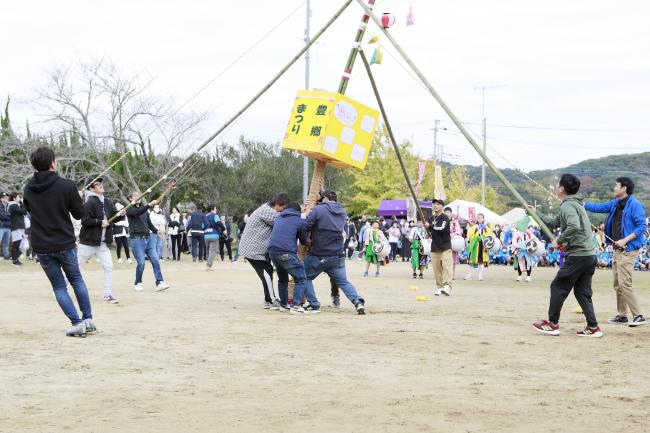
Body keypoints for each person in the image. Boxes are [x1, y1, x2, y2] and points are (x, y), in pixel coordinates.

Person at [23, 147, 95, 337]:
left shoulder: (28, 188)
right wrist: (78, 198)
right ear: (53, 163)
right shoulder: (67, 185)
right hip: (64, 242)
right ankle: (87, 319)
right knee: (76, 280)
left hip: (42, 244)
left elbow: (29, 210)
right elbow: (79, 214)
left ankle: (77, 322)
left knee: (59, 286)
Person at [532, 173, 603, 338]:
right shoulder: (573, 204)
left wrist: (560, 240)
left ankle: (552, 324)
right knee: (582, 292)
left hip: (578, 255)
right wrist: (535, 213)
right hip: (588, 255)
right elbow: (553, 222)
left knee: (558, 286)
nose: (557, 188)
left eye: (558, 185)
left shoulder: (568, 206)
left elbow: (574, 226)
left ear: (562, 189)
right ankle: (593, 327)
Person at [584, 177, 646, 327]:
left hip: (629, 249)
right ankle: (622, 315)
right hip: (618, 250)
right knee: (618, 284)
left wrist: (625, 240)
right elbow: (598, 207)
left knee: (625, 283)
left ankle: (638, 315)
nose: (614, 188)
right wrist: (582, 204)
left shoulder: (635, 205)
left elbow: (641, 227)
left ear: (624, 188)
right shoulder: (615, 203)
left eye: (616, 186)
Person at [303, 190, 365, 314]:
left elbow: (306, 226)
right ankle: (357, 302)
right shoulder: (342, 212)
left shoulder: (318, 210)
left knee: (303, 277)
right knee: (343, 281)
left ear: (325, 198)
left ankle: (314, 304)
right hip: (337, 253)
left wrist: (309, 210)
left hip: (319, 252)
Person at [238, 193, 290, 308]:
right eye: (283, 208)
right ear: (277, 204)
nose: (283, 210)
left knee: (267, 271)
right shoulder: (267, 211)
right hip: (253, 249)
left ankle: (268, 300)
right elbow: (285, 221)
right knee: (267, 271)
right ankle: (271, 300)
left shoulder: (266, 208)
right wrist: (303, 214)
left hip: (255, 248)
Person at [77, 177, 120, 304]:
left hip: (102, 244)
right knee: (76, 268)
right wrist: (99, 222)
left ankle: (108, 294)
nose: (101, 185)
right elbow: (85, 221)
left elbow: (113, 216)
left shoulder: (107, 201)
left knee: (109, 266)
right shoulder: (89, 202)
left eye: (101, 183)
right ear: (91, 188)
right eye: (97, 184)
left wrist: (120, 214)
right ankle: (61, 287)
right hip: (88, 242)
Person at [268, 202, 308, 313]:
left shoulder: (278, 218)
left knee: (282, 279)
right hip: (286, 253)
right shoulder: (300, 220)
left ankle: (284, 305)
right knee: (301, 278)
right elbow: (304, 241)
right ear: (298, 211)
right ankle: (295, 306)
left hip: (273, 252)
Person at [126, 191, 169, 292]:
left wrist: (157, 231)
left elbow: (148, 223)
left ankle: (159, 282)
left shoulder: (144, 210)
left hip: (148, 238)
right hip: (137, 241)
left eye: (139, 195)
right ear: (130, 198)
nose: (138, 197)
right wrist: (148, 205)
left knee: (155, 260)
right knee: (141, 263)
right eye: (135, 196)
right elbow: (137, 212)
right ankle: (138, 282)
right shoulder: (129, 208)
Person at [428, 199, 453, 296]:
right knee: (436, 269)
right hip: (435, 247)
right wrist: (429, 232)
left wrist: (430, 227)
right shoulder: (431, 219)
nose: (435, 205)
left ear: (442, 206)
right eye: (434, 204)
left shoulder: (445, 218)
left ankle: (447, 286)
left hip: (445, 246)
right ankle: (440, 287)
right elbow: (432, 233)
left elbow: (440, 229)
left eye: (438, 204)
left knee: (447, 266)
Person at [465, 214, 492, 281]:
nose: (479, 219)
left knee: (482, 261)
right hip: (475, 245)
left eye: (481, 217)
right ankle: (470, 275)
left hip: (483, 245)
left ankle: (480, 275)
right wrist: (470, 238)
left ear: (483, 218)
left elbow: (489, 235)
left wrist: (484, 235)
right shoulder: (474, 226)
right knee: (472, 260)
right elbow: (470, 234)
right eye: (478, 218)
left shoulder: (486, 227)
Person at [8, 192, 27, 266]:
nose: (19, 198)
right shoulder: (12, 206)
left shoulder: (17, 205)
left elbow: (24, 213)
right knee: (16, 244)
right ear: (14, 198)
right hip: (16, 227)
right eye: (18, 197)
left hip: (20, 226)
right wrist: (22, 204)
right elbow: (24, 211)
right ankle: (14, 261)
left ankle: (16, 258)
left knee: (20, 244)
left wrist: (21, 204)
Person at [204, 205, 225, 270]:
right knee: (212, 251)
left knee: (207, 250)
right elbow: (219, 223)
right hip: (214, 235)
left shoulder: (205, 216)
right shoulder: (215, 215)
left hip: (206, 235)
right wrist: (223, 229)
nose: (216, 210)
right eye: (215, 209)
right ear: (212, 210)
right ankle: (208, 266)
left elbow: (202, 226)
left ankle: (208, 264)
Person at [445, 207, 462, 278]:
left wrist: (454, 234)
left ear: (451, 213)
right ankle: (446, 274)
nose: (447, 213)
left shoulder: (455, 222)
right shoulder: (442, 221)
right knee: (445, 259)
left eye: (449, 212)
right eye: (446, 212)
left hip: (453, 242)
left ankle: (453, 273)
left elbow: (458, 231)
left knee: (453, 259)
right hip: (444, 242)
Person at [0, 191, 11, 260]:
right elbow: (1, 216)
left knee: (6, 243)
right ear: (1, 199)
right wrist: (9, 215)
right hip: (1, 226)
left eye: (7, 197)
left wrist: (8, 215)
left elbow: (12, 215)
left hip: (8, 226)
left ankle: (6, 255)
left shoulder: (9, 205)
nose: (7, 198)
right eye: (5, 197)